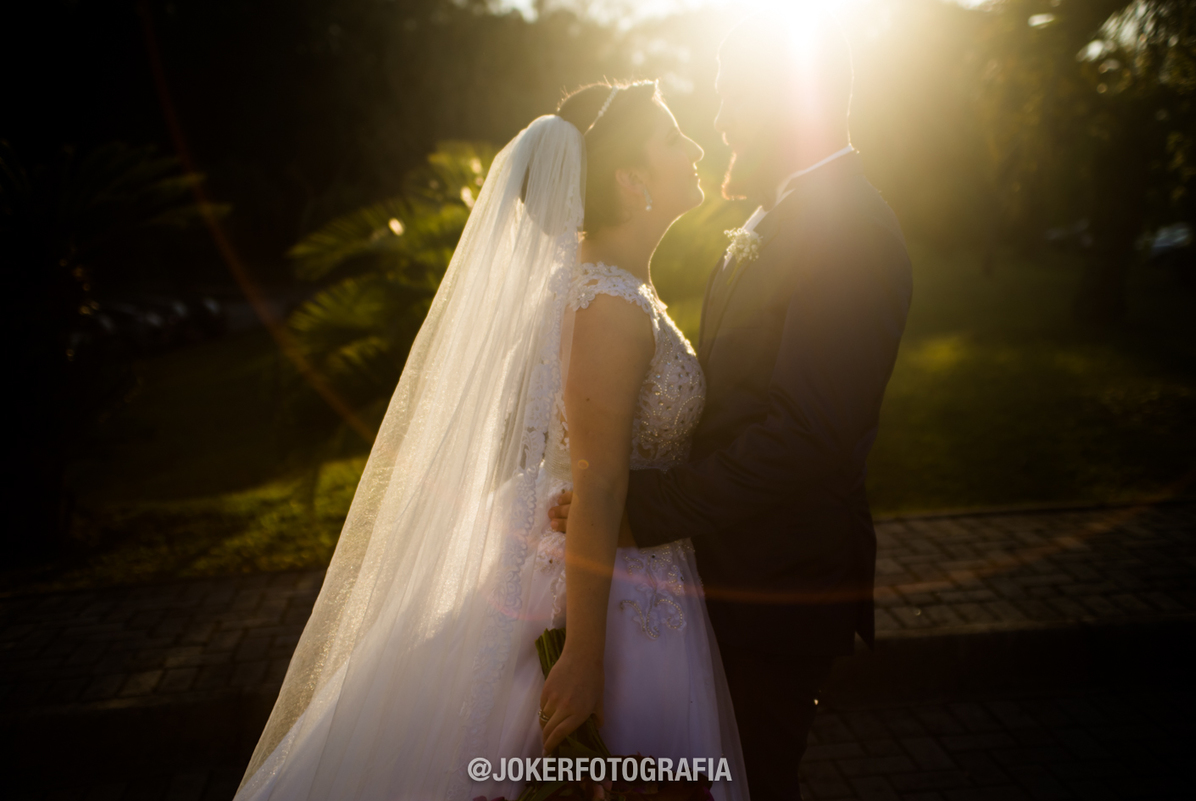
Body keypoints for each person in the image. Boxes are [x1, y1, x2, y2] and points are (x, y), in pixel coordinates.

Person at [232, 78, 750, 801]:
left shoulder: (620, 290)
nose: (694, 146)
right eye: (672, 137)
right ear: (631, 179)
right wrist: (582, 657)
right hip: (604, 592)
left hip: (636, 564)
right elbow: (599, 482)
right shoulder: (607, 304)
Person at [549, 8, 914, 801]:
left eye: (729, 97)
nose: (718, 121)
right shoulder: (779, 217)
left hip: (778, 585)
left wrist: (642, 510)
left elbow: (806, 433)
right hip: (719, 578)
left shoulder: (848, 226)